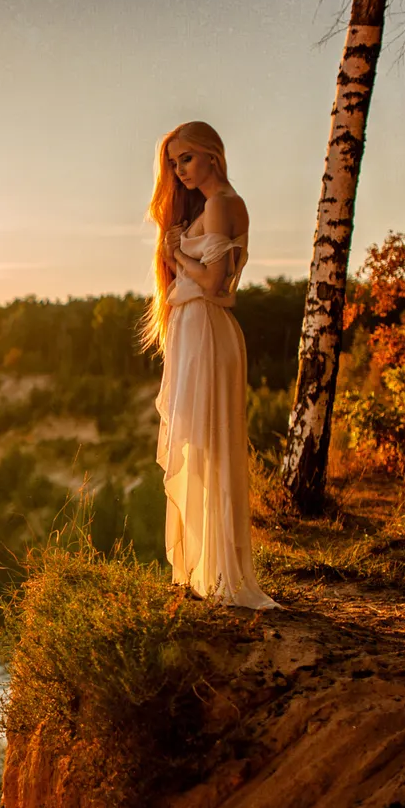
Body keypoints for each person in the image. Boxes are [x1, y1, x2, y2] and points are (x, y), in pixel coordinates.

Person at [143, 120, 279, 610]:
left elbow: (214, 283)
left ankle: (219, 573)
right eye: (174, 162)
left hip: (205, 326)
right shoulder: (213, 205)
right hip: (195, 331)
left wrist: (176, 252)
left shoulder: (221, 204)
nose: (179, 171)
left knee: (209, 446)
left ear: (212, 157)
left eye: (186, 159)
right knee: (202, 446)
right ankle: (207, 569)